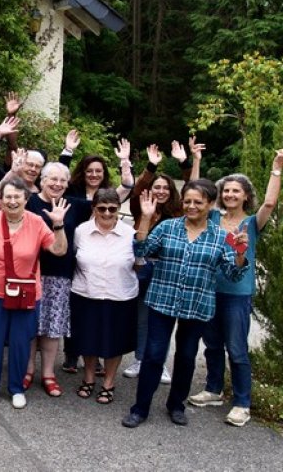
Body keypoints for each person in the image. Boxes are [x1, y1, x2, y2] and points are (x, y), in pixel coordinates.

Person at [122, 180, 249, 428]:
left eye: (198, 202)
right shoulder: (168, 227)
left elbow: (233, 274)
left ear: (210, 205)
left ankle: (176, 405)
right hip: (161, 300)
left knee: (187, 356)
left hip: (197, 304)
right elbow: (141, 248)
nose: (191, 206)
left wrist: (240, 253)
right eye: (187, 201)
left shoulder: (222, 237)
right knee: (154, 355)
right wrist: (146, 219)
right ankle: (140, 408)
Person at [188, 150, 283, 427]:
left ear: (245, 196)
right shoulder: (213, 219)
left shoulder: (252, 223)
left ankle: (242, 402)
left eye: (235, 191)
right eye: (226, 190)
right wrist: (195, 161)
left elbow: (270, 202)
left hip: (237, 294)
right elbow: (195, 193)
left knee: (237, 349)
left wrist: (276, 168)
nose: (229, 194)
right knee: (212, 345)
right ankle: (213, 390)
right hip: (209, 291)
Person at [0, 178, 68, 409]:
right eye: (7, 196)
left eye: (17, 196)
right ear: (1, 200)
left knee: (21, 340)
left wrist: (58, 225)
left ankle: (16, 387)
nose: (12, 201)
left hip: (27, 292)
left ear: (26, 199)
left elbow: (59, 250)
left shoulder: (37, 222)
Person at [123, 142, 193, 381]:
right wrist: (151, 166)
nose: (160, 191)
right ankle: (140, 359)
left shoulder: (178, 213)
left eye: (165, 187)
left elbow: (193, 188)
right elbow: (138, 186)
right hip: (141, 267)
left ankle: (159, 363)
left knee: (163, 319)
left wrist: (185, 162)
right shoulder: (139, 208)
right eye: (157, 187)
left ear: (171, 191)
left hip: (166, 269)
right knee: (142, 317)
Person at [71, 189, 148, 404]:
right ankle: (88, 378)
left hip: (120, 295)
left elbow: (140, 263)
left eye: (112, 209)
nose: (107, 213)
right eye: (101, 208)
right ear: (93, 209)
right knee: (88, 338)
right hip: (87, 293)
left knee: (115, 341)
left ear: (118, 209)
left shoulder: (130, 233)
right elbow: (74, 257)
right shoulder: (81, 231)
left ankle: (108, 382)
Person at [24, 162, 91, 396]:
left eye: (63, 180)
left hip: (60, 274)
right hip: (30, 272)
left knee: (52, 327)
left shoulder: (74, 205)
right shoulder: (29, 201)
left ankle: (49, 374)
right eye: (52, 179)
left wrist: (125, 168)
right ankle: (28, 370)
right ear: (41, 180)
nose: (57, 184)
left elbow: (112, 199)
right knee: (30, 324)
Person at [66, 140, 134, 201]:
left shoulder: (109, 195)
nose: (94, 174)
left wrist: (125, 161)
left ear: (104, 172)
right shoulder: (71, 190)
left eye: (98, 171)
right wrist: (68, 151)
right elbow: (60, 174)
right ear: (83, 172)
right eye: (89, 171)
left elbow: (127, 185)